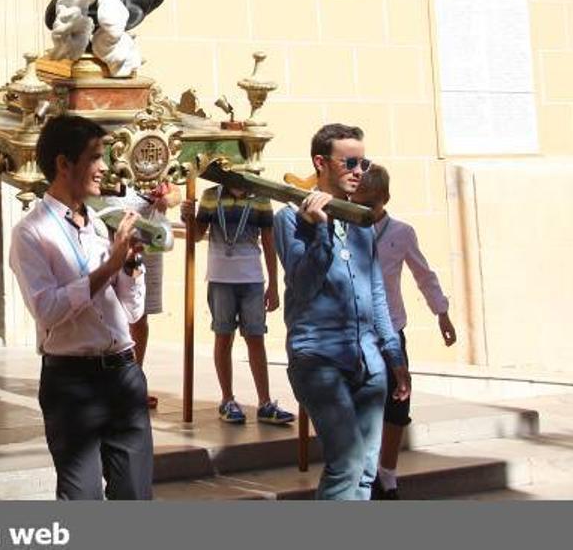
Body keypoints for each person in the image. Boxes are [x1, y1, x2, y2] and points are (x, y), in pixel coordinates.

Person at [9, 114, 152, 499]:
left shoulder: (99, 226)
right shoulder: (30, 232)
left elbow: (130, 311)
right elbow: (49, 310)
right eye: (95, 157)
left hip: (122, 373)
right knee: (82, 500)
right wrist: (109, 265)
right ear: (63, 163)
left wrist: (131, 266)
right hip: (72, 382)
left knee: (136, 498)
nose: (104, 167)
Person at [273, 123, 409, 500]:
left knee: (366, 470)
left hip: (368, 360)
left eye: (363, 163)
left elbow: (376, 293)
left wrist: (393, 354)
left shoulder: (361, 220)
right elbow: (303, 287)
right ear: (321, 162)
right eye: (350, 162)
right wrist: (319, 232)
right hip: (319, 358)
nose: (358, 172)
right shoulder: (290, 218)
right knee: (346, 463)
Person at [352, 164, 457, 500]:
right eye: (358, 201)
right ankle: (360, 473)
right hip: (354, 330)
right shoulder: (345, 226)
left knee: (397, 404)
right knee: (360, 403)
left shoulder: (401, 232)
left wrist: (441, 312)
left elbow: (423, 274)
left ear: (384, 198)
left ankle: (388, 473)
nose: (364, 210)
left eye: (370, 204)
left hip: (391, 329)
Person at [181, 183, 295, 426]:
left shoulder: (260, 197)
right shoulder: (211, 196)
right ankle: (227, 399)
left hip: (252, 278)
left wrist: (273, 284)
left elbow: (268, 241)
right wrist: (188, 217)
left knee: (256, 338)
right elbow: (198, 235)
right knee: (223, 336)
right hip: (220, 278)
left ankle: (264, 403)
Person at [100, 181, 179, 409]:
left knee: (140, 315)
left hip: (146, 244)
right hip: (109, 240)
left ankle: (134, 381)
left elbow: (175, 191)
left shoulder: (150, 157)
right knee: (109, 313)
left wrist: (165, 201)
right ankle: (110, 383)